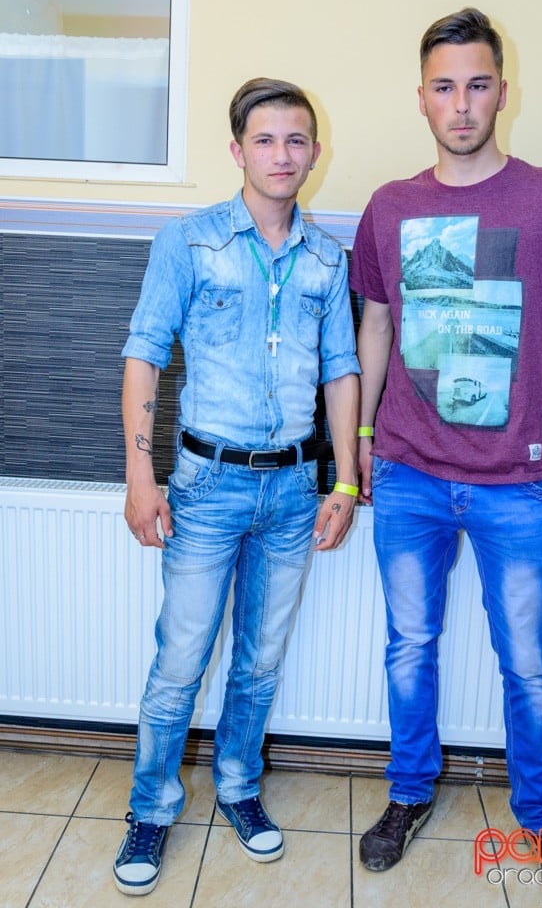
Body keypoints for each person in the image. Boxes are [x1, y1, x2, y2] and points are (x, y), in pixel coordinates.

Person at [350, 9, 542, 908]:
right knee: (409, 648)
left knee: (528, 664)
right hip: (409, 472)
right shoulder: (389, 206)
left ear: (504, 90)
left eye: (477, 84)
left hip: (515, 480)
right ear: (421, 98)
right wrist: (360, 443)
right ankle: (409, 794)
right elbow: (375, 327)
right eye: (444, 86)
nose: (461, 104)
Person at [113, 77, 360, 896]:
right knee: (181, 661)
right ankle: (152, 806)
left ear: (314, 153)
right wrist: (140, 476)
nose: (281, 154)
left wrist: (344, 481)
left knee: (259, 662)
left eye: (296, 140)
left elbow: (342, 370)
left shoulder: (327, 260)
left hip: (293, 492)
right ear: (237, 150)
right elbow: (144, 353)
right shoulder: (188, 242)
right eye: (265, 139)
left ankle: (239, 786)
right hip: (206, 486)